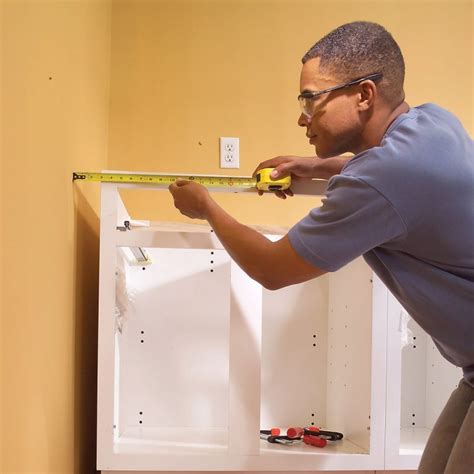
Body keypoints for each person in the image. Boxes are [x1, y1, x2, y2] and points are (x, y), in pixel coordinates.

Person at [169, 21, 473, 473]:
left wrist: (206, 207)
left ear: (364, 95)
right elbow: (382, 165)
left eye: (312, 98)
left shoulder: (379, 182)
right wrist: (315, 165)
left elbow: (272, 270)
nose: (302, 115)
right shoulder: (433, 121)